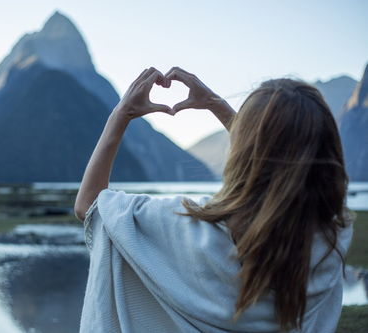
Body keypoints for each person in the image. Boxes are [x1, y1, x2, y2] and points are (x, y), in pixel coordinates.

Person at [74, 67, 353, 332]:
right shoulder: (329, 240)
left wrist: (121, 115)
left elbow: (90, 205)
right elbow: (273, 167)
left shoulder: (190, 231)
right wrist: (216, 104)